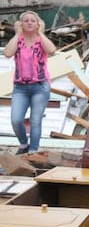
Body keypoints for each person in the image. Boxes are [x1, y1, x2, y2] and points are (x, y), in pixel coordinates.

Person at [4, 11, 57, 155]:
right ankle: (23, 144)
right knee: (16, 119)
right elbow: (8, 53)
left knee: (35, 121)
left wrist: (41, 33)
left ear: (38, 23)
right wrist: (16, 34)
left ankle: (33, 150)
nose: (29, 22)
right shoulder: (18, 40)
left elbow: (52, 50)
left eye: (33, 20)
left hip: (40, 87)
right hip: (20, 87)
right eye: (26, 20)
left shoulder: (41, 40)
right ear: (21, 24)